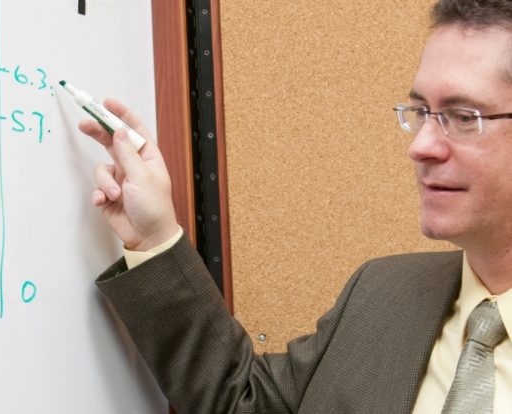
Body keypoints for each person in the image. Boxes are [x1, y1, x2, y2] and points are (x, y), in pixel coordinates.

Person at [79, 0, 512, 413]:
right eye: (421, 111)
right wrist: (154, 237)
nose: (420, 147)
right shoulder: (384, 294)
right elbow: (240, 402)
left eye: (462, 116)